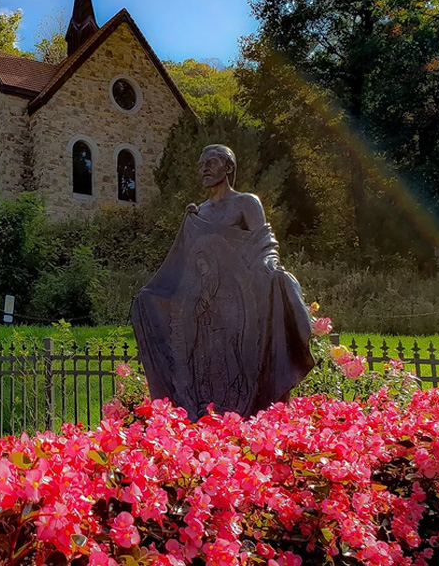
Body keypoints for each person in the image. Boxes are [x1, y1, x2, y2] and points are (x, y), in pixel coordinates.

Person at [131, 145, 314, 421]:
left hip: (239, 303)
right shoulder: (199, 212)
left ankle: (250, 413)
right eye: (201, 163)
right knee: (205, 368)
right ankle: (205, 417)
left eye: (211, 162)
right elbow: (186, 264)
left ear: (228, 168)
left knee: (237, 363)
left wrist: (271, 269)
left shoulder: (246, 203)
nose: (203, 168)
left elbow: (264, 244)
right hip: (206, 307)